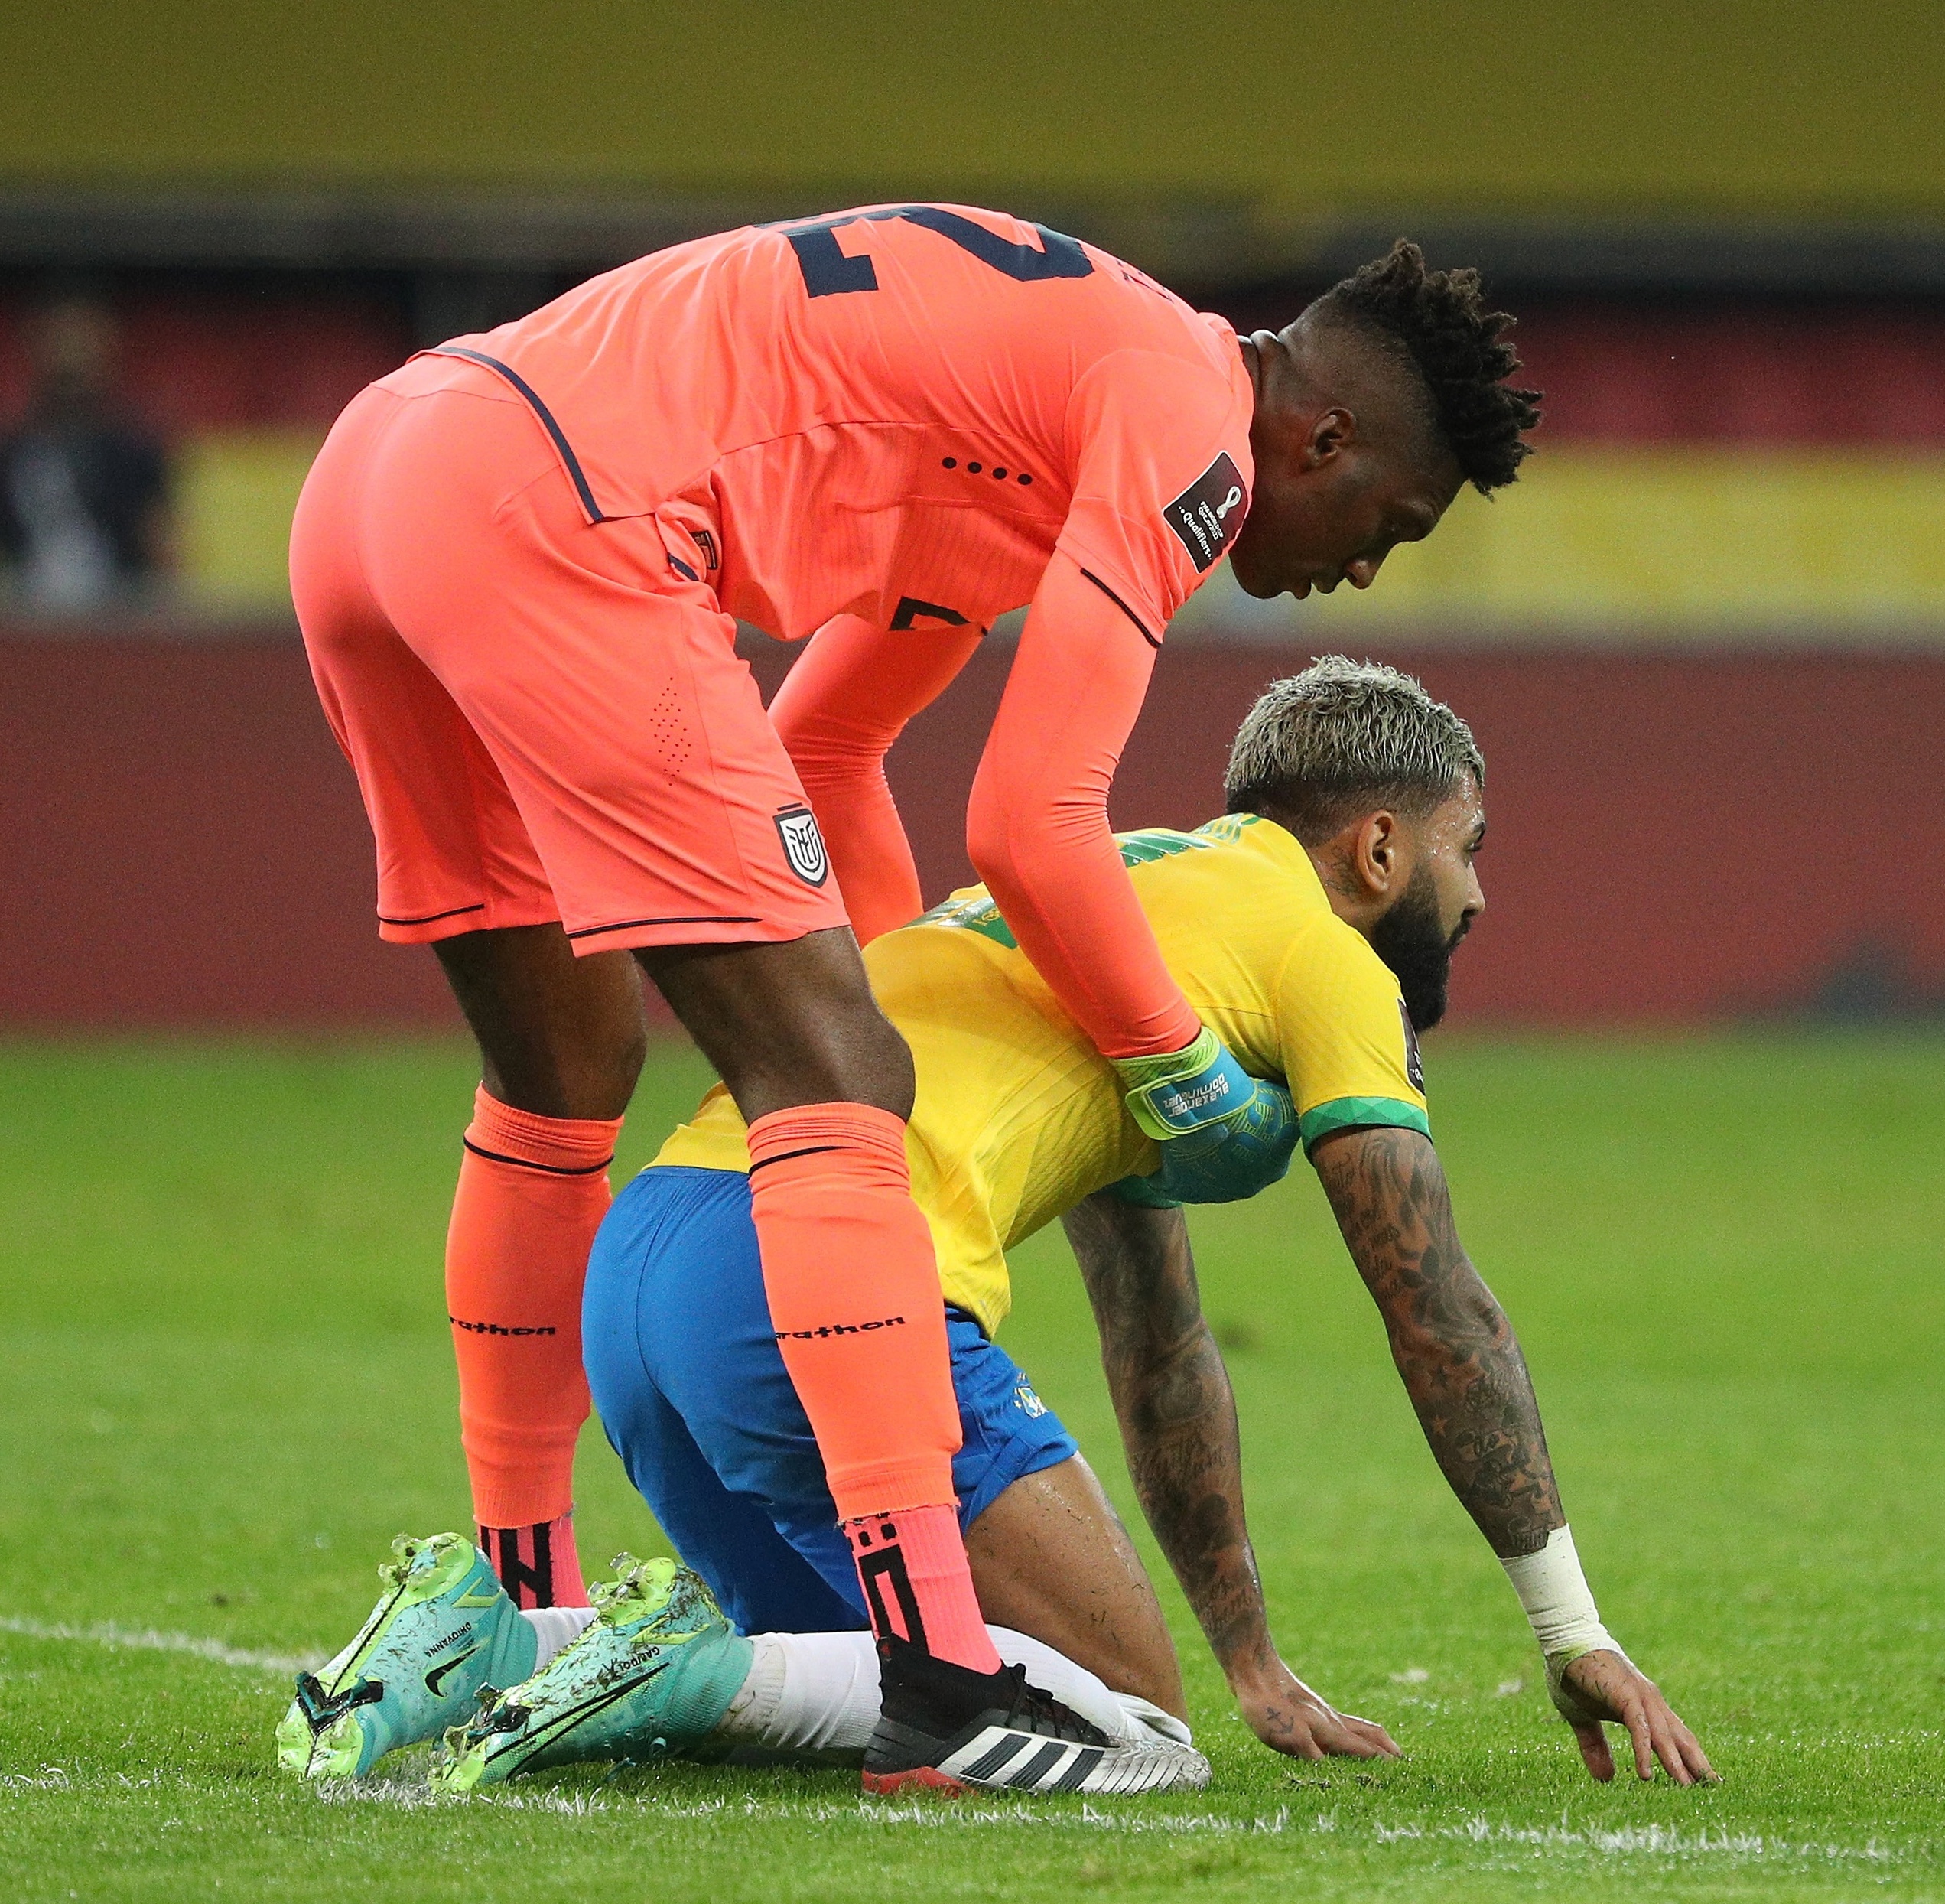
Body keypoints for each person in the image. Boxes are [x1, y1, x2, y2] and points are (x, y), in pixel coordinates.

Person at [288, 207, 1542, 1775]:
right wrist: (1174, 1065)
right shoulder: (1188, 434)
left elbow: (824, 750)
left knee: (564, 1067)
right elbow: (1027, 821)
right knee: (836, 1090)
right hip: (556, 507)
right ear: (1322, 435)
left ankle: (515, 1606)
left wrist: (915, 999)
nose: (1361, 566)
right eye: (1390, 520)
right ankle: (942, 1672)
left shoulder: (1044, 413)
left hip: (382, 470)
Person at [281, 659, 1710, 1797]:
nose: (1481, 893)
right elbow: (1435, 1305)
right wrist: (1568, 1630)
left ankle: (500, 1634)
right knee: (1133, 1733)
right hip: (815, 1283)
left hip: (654, 1269)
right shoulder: (1322, 956)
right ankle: (672, 1671)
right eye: (1470, 850)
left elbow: (1156, 1335)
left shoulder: (1125, 902)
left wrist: (1251, 1655)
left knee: (853, 1668)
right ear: (1380, 846)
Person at [0, 295, 171, 610]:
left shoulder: (132, 448)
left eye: (82, 343)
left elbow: (160, 545)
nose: (71, 356)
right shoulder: (14, 450)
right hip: (24, 616)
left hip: (115, 615)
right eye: (61, 341)